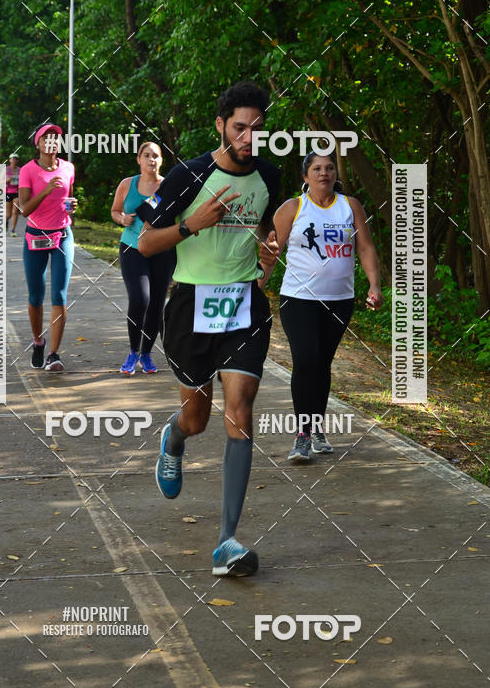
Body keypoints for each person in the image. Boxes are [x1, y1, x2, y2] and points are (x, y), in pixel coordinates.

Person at [137, 82, 280, 577]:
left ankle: (227, 542)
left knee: (240, 412)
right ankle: (173, 440)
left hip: (244, 305)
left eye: (256, 129)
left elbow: (263, 226)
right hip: (191, 305)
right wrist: (191, 224)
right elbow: (145, 244)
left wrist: (268, 246)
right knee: (196, 419)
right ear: (221, 125)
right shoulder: (188, 175)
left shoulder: (268, 175)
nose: (248, 136)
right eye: (239, 127)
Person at [273, 151, 383, 463]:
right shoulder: (293, 208)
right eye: (317, 168)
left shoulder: (350, 206)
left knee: (322, 363)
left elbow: (365, 247)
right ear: (305, 176)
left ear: (335, 173)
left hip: (339, 300)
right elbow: (272, 250)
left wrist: (374, 286)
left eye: (329, 168)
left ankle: (317, 426)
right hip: (298, 299)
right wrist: (257, 284)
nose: (324, 173)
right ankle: (302, 434)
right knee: (305, 360)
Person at [111, 142, 175, 375]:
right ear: (138, 159)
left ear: (161, 161)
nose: (151, 160)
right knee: (140, 299)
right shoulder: (127, 184)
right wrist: (122, 219)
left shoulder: (168, 186)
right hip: (132, 247)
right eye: (146, 155)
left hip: (161, 249)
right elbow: (115, 210)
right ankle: (132, 352)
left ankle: (146, 354)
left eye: (155, 156)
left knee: (157, 303)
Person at [18, 123, 77, 372]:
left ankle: (53, 353)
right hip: (36, 236)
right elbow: (24, 209)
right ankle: (38, 342)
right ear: (38, 144)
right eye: (46, 138)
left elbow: (68, 199)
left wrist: (71, 205)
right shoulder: (27, 171)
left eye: (56, 138)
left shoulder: (68, 167)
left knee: (59, 295)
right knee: (35, 295)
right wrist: (46, 190)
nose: (52, 142)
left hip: (62, 235)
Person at [5, 153, 21, 236]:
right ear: (10, 160)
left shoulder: (20, 170)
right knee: (8, 214)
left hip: (16, 192)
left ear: (17, 161)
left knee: (15, 211)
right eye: (12, 159)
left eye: (16, 159)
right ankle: (6, 222)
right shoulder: (6, 170)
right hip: (7, 192)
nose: (14, 160)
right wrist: (8, 179)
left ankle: (13, 230)